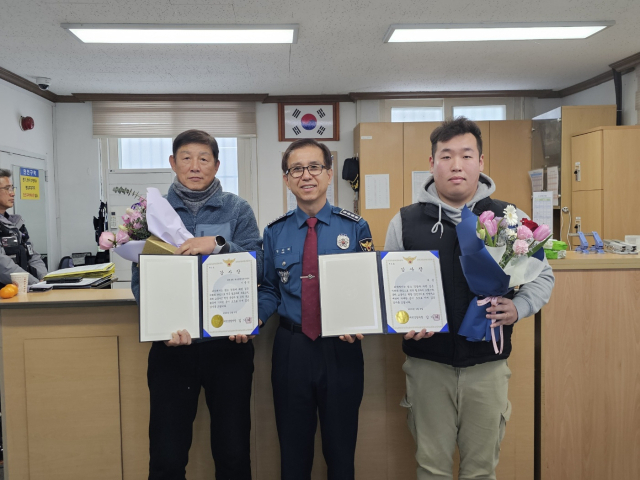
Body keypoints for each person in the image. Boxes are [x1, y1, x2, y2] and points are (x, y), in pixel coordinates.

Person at [384, 117, 555, 480]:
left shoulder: (511, 218)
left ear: (481, 161)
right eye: (446, 156)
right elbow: (389, 288)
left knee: (481, 471)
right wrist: (403, 320)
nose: (456, 165)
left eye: (466, 155)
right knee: (431, 469)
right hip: (427, 367)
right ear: (432, 164)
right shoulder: (405, 222)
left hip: (487, 367)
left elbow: (544, 275)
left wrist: (519, 306)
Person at [130, 129, 263, 480]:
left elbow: (258, 263)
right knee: (167, 455)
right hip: (173, 348)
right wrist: (160, 325)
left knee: (233, 453)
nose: (195, 166)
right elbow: (139, 279)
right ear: (172, 163)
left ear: (217, 165)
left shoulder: (238, 209)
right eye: (186, 158)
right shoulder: (149, 213)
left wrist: (219, 244)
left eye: (204, 159)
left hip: (229, 348)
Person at [258, 139, 374, 480]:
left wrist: (362, 318)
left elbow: (368, 286)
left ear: (328, 173)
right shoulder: (274, 232)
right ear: (286, 179)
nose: (305, 175)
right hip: (292, 348)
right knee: (293, 454)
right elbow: (268, 290)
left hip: (342, 347)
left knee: (341, 453)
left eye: (314, 167)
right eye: (296, 169)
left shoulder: (354, 227)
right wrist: (254, 318)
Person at [0, 168, 47, 287]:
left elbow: (33, 256)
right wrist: (35, 283)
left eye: (12, 188)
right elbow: (3, 266)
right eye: (7, 188)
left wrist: (44, 279)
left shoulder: (16, 223)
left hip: (26, 290)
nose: (13, 193)